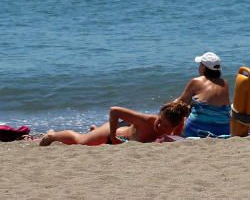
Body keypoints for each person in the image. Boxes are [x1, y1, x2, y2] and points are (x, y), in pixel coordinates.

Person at [39, 100, 190, 146]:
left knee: (89, 137)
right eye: (159, 120)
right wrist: (112, 136)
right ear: (158, 114)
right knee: (80, 141)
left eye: (165, 126)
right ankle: (52, 135)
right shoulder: (146, 121)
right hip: (112, 136)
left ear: (174, 126)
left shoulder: (178, 125)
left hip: (125, 140)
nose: (159, 126)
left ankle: (94, 130)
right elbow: (114, 111)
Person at [175, 51, 231, 137]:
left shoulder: (196, 81)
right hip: (223, 129)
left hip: (197, 128)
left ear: (204, 67)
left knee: (181, 112)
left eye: (200, 64)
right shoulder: (224, 83)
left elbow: (181, 102)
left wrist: (167, 106)